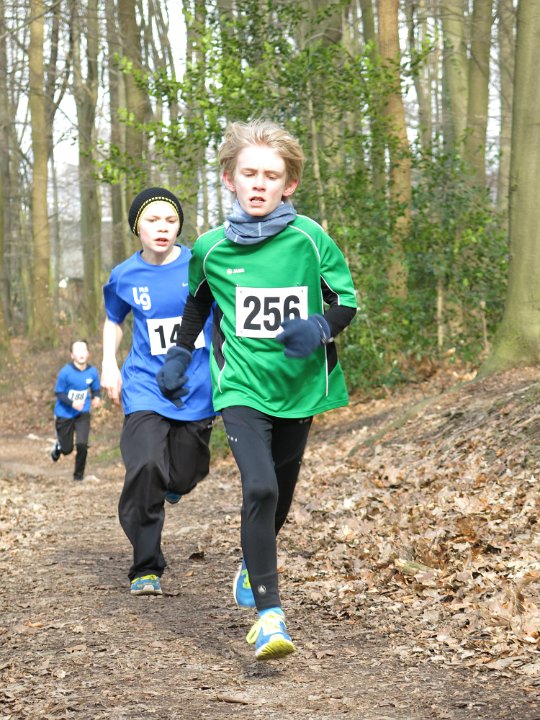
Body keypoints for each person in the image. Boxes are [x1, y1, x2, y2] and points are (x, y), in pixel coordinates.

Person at [156, 121, 357, 659]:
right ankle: (270, 617)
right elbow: (198, 302)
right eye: (250, 173)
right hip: (241, 386)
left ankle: (253, 558)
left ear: (289, 183)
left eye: (272, 175)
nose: (260, 183)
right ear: (229, 178)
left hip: (300, 386)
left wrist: (319, 327)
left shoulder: (310, 238)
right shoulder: (210, 248)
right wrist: (180, 352)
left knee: (280, 497)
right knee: (260, 488)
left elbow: (346, 301)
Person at [101, 187, 215, 597]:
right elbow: (114, 319)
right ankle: (145, 567)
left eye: (170, 220)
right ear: (137, 227)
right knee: (146, 466)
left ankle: (174, 483)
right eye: (153, 220)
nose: (162, 227)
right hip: (145, 384)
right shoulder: (125, 275)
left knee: (184, 474)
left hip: (196, 387)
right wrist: (109, 363)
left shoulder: (202, 264)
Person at [51, 339, 101, 481]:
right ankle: (59, 447)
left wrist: (96, 397)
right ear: (72, 355)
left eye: (84, 350)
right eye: (77, 351)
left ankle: (78, 476)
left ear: (88, 353)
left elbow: (95, 388)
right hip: (64, 414)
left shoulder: (92, 372)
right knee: (67, 449)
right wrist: (72, 403)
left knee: (82, 444)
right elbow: (59, 393)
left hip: (82, 413)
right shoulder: (65, 372)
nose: (81, 353)